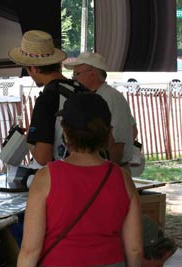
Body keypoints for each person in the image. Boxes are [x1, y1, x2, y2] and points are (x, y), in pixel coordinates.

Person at [18, 93, 143, 267]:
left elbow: (30, 250)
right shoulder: (123, 178)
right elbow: (135, 249)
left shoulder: (45, 178)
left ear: (65, 133)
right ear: (108, 132)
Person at [8, 30, 87, 167]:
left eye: (27, 70)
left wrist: (28, 140)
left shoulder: (46, 100)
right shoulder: (83, 90)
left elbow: (43, 157)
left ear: (34, 68)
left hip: (66, 178)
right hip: (95, 174)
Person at [64, 52, 137, 170]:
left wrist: (109, 172)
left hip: (110, 170)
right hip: (102, 169)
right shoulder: (97, 96)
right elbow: (133, 129)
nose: (74, 78)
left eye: (77, 74)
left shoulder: (111, 97)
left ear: (92, 74)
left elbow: (118, 143)